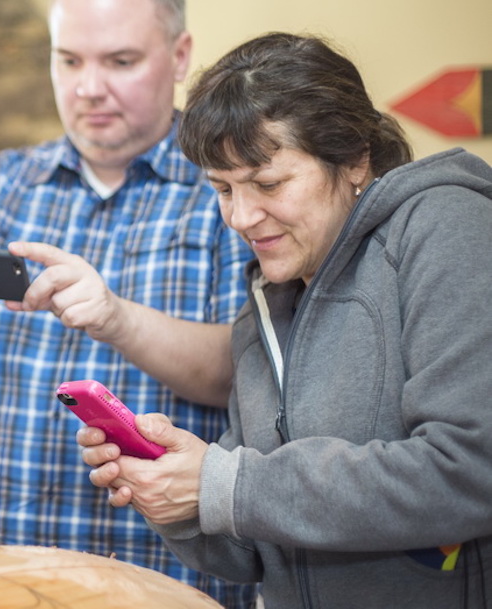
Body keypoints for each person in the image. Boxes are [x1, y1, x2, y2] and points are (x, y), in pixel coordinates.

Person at [0, 0, 257, 607]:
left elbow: (239, 371)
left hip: (149, 577)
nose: (88, 87)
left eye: (120, 61)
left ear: (179, 53)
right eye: (69, 59)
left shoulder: (225, 194)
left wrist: (117, 317)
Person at [78, 32, 492, 607]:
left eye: (268, 184)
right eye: (222, 189)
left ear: (354, 159)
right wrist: (173, 497)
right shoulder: (266, 305)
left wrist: (224, 483)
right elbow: (249, 555)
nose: (241, 217)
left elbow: (470, 468)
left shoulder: (447, 225)